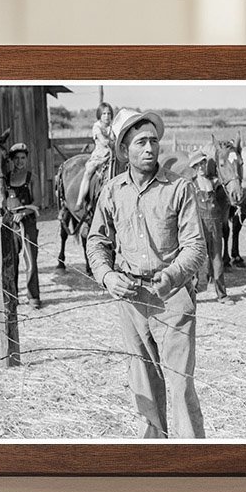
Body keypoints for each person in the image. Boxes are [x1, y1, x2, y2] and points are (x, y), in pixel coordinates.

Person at [86, 108, 207, 439]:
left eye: (154, 141)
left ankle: (194, 467)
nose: (150, 148)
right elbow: (96, 242)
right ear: (125, 149)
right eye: (141, 142)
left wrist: (169, 277)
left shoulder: (179, 189)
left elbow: (196, 248)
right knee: (145, 391)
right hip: (130, 303)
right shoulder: (111, 191)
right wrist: (108, 276)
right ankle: (155, 461)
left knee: (180, 387)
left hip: (173, 300)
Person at [188, 150, 228, 303]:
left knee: (217, 259)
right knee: (196, 260)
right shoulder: (191, 185)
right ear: (194, 167)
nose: (202, 167)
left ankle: (222, 294)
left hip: (215, 225)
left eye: (203, 163)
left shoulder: (214, 183)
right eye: (198, 165)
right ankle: (192, 294)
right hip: (199, 226)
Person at [6, 142, 41, 309]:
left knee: (31, 261)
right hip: (10, 224)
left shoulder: (31, 178)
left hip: (27, 223)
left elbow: (38, 202)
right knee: (11, 261)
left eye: (23, 158)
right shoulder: (6, 179)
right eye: (17, 158)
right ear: (12, 160)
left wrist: (24, 213)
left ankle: (33, 295)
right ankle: (12, 295)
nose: (20, 161)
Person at [75, 102, 114, 209]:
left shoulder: (113, 127)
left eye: (109, 114)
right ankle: (80, 200)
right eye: (104, 114)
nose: (107, 116)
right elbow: (103, 140)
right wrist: (111, 141)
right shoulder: (97, 127)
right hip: (100, 157)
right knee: (88, 172)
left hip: (112, 156)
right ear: (100, 115)